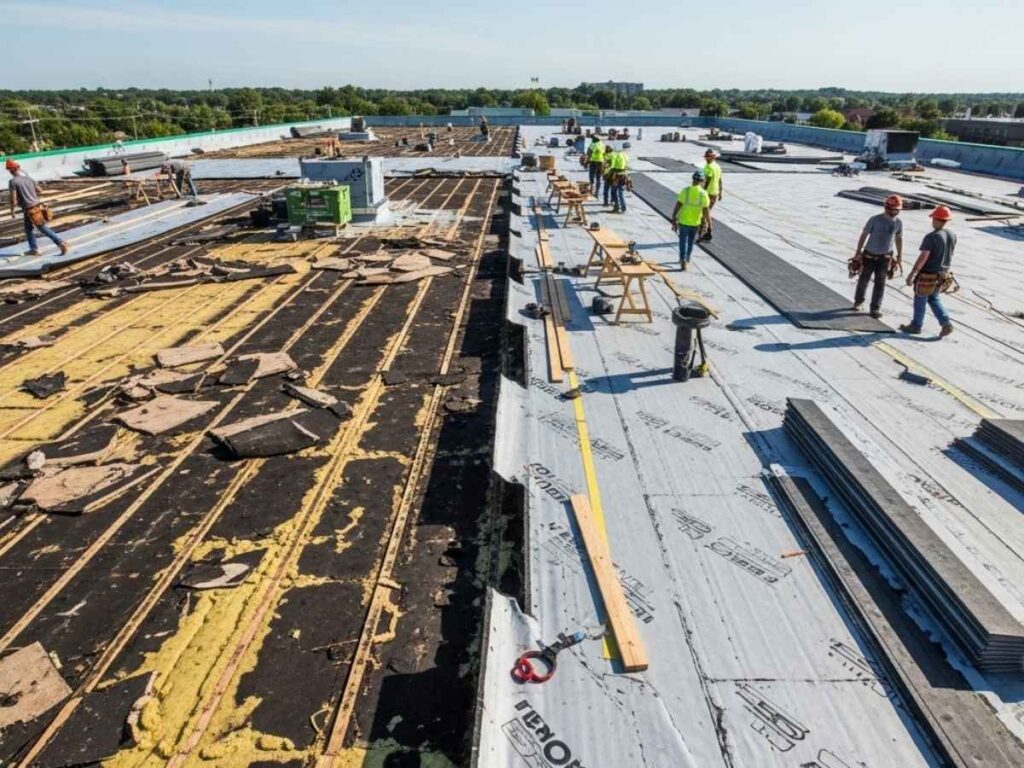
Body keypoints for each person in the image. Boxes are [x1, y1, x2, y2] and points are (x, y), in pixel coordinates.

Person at [900, 206, 955, 338]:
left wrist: (913, 273)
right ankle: (946, 323)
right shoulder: (952, 235)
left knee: (920, 298)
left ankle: (916, 325)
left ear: (936, 219)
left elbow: (923, 256)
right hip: (942, 275)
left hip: (928, 275)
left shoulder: (932, 237)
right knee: (934, 298)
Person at [852, 195, 904, 318]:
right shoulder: (875, 220)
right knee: (864, 280)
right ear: (886, 208)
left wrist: (900, 255)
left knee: (880, 283)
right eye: (892, 209)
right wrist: (858, 252)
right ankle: (858, 301)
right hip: (869, 256)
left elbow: (898, 238)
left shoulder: (898, 222)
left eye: (897, 210)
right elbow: (864, 235)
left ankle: (875, 309)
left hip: (884, 257)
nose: (894, 212)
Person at [6, 159, 69, 256]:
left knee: (42, 228)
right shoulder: (29, 179)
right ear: (18, 168)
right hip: (36, 206)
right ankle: (34, 249)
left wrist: (12, 211)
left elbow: (13, 199)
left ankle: (60, 242)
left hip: (29, 209)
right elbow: (40, 190)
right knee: (28, 229)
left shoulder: (13, 182)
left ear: (10, 170)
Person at [670, 171, 711, 270]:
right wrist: (708, 224)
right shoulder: (704, 194)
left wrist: (674, 217)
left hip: (683, 221)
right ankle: (687, 258)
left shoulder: (686, 190)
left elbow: (678, 205)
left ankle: (682, 258)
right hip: (695, 223)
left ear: (693, 180)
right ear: (702, 181)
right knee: (690, 242)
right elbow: (706, 211)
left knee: (682, 241)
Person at [699, 149, 723, 241]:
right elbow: (720, 179)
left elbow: (707, 180)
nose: (706, 159)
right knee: (707, 213)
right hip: (715, 192)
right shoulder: (717, 166)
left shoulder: (709, 167)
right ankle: (706, 232)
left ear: (712, 157)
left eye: (708, 157)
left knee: (703, 213)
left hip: (708, 193)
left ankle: (704, 232)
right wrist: (720, 191)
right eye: (706, 157)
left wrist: (703, 192)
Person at [609, 146, 629, 213]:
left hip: (616, 175)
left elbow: (612, 165)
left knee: (614, 191)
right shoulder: (624, 155)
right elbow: (626, 164)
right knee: (620, 192)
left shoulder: (614, 155)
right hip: (623, 175)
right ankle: (623, 207)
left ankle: (616, 207)